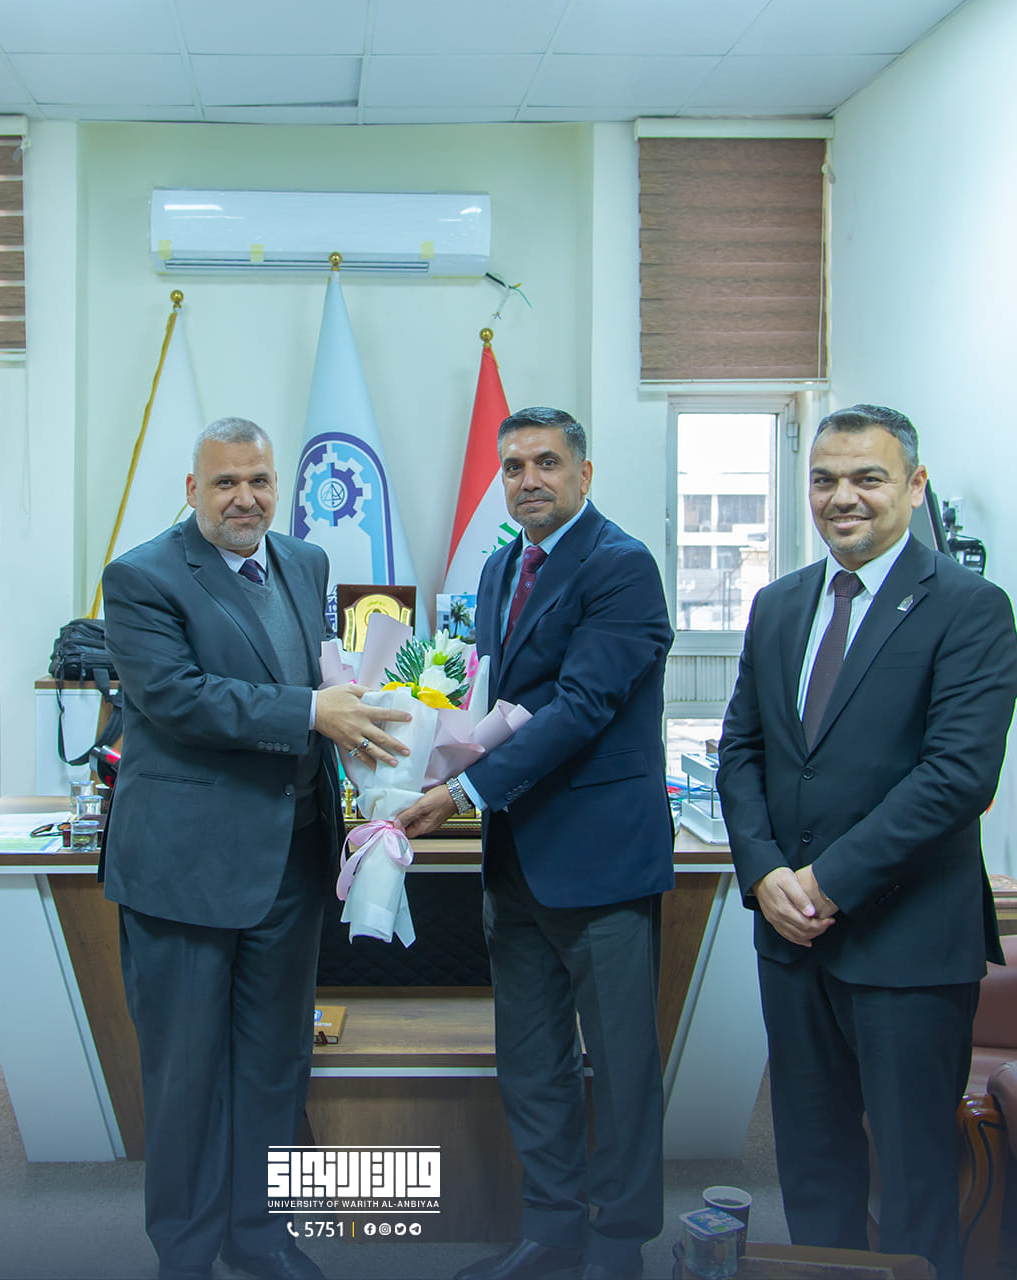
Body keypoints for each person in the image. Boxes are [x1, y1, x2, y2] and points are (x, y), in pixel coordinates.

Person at [100, 417, 413, 1280]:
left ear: (280, 487)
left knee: (277, 1064)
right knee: (186, 1077)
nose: (245, 499)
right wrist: (313, 712)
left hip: (292, 860)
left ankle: (263, 1236)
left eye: (260, 481)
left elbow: (322, 681)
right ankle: (187, 1254)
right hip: (186, 871)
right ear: (192, 490)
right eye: (226, 483)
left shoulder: (305, 563)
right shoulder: (141, 577)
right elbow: (176, 698)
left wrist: (381, 743)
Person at [715, 404, 1017, 1280]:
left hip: (909, 945)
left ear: (914, 486)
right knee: (811, 1166)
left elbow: (957, 777)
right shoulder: (779, 605)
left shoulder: (969, 607)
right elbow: (741, 750)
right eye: (824, 479)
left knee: (915, 1178)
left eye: (867, 478)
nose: (842, 497)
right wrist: (765, 871)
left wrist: (827, 881)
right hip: (793, 943)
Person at [399, 406, 674, 1280]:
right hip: (516, 859)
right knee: (531, 1060)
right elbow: (490, 699)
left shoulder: (621, 566)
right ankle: (550, 1233)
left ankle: (618, 1246)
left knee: (619, 1069)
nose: (528, 480)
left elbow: (584, 706)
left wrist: (463, 792)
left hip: (602, 861)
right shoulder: (498, 568)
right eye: (513, 466)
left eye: (547, 463)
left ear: (583, 475)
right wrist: (411, 748)